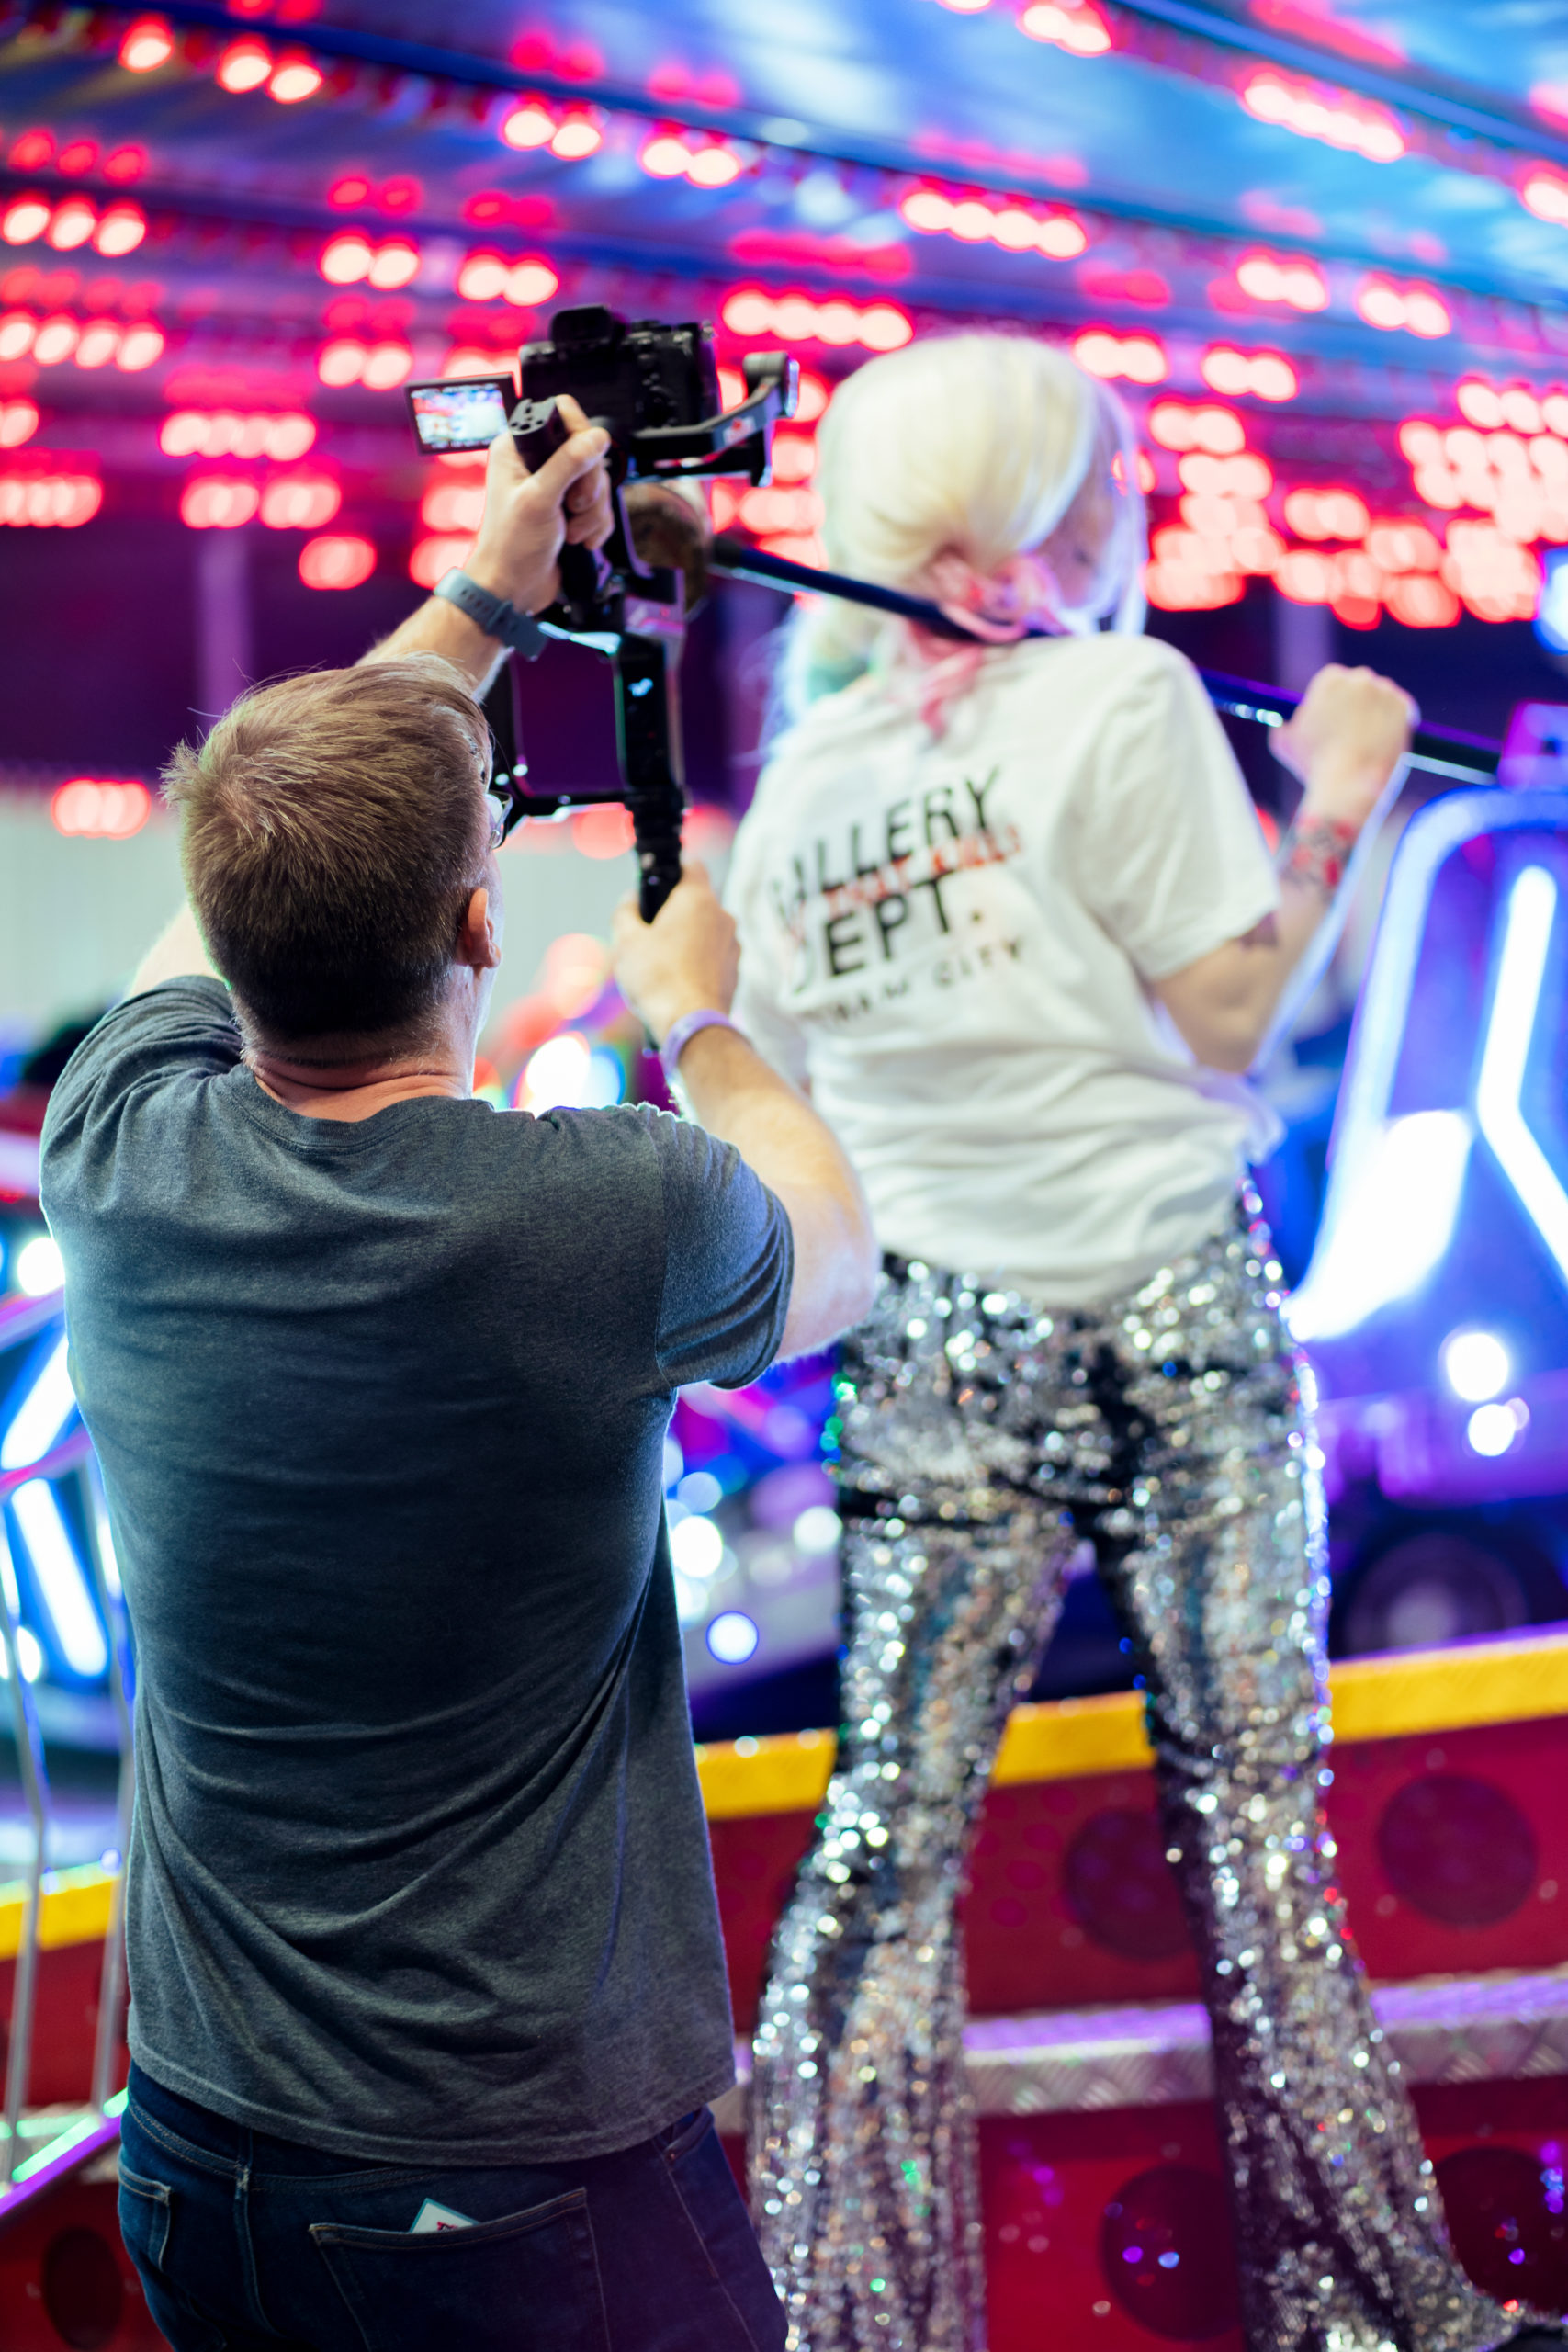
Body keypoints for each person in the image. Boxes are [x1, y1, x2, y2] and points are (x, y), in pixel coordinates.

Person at [726, 334, 1559, 2352]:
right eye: (1112, 481)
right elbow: (1224, 1015)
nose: (1131, 515)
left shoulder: (806, 780)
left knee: (880, 1846)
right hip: (1163, 1304)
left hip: (929, 1336)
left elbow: (811, 1075)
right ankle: (1358, 2310)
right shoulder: (1121, 697)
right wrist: (1338, 795)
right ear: (1051, 507)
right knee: (1249, 1824)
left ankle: (840, 2316)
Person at [39, 396, 877, 2352]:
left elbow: (279, 832)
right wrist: (708, 1027)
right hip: (520, 2179)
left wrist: (481, 598)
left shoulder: (119, 1138)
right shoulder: (597, 1214)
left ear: (221, 934)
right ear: (485, 919)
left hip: (202, 2146)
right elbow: (828, 1251)